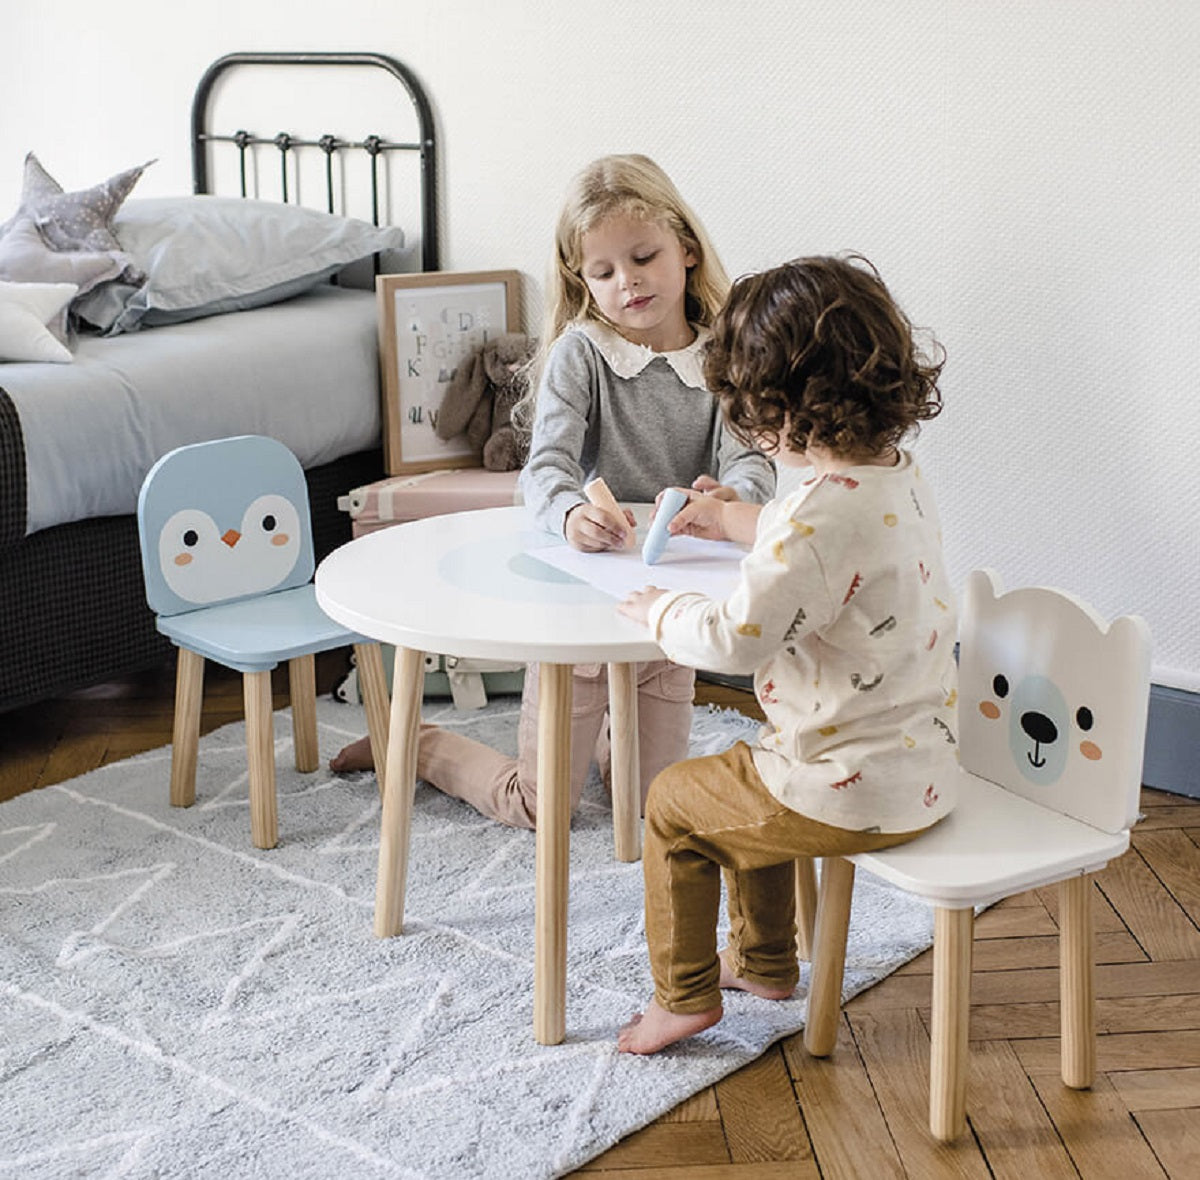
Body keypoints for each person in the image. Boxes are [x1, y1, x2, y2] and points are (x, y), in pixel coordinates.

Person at [330, 153, 775, 828]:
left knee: (649, 808)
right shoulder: (583, 354)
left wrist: (727, 500)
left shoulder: (724, 355)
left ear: (685, 249)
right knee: (539, 808)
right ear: (582, 280)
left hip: (673, 605)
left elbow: (753, 467)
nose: (627, 283)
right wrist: (569, 515)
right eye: (603, 272)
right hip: (578, 606)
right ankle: (419, 743)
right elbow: (545, 472)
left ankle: (607, 741)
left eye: (643, 257)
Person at [614, 254, 958, 1054]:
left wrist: (663, 610)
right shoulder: (894, 478)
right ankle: (767, 964)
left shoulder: (812, 523)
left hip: (847, 790)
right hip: (925, 767)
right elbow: (814, 535)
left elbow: (737, 635)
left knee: (675, 803)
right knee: (741, 775)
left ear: (779, 406)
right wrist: (731, 521)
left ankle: (684, 995)